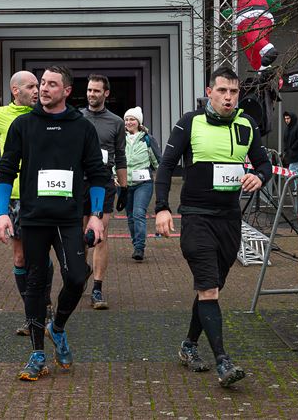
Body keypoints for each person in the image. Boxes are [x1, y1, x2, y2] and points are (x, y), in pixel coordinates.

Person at [154, 66, 272, 388]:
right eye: (223, 91)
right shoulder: (189, 122)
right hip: (196, 218)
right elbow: (165, 166)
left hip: (229, 220)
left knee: (211, 288)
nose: (229, 98)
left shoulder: (247, 126)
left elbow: (264, 163)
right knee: (208, 287)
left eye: (234, 92)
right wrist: (162, 207)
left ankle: (189, 345)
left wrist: (259, 176)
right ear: (210, 91)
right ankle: (223, 361)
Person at [0, 65, 109, 381]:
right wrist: (3, 212)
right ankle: (36, 354)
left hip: (69, 219)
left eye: (51, 84)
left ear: (66, 91)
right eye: (42, 83)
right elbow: (6, 170)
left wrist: (97, 216)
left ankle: (56, 327)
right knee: (35, 282)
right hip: (33, 218)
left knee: (76, 277)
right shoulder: (23, 125)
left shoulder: (82, 127)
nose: (44, 89)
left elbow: (98, 175)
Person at [0, 70, 55, 336]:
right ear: (15, 91)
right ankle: (32, 314)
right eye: (31, 86)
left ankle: (46, 306)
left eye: (38, 85)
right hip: (15, 195)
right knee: (20, 256)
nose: (37, 90)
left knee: (42, 255)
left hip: (44, 193)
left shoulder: (45, 114)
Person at [80, 74, 127, 310]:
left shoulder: (116, 122)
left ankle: (97, 289)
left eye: (97, 91)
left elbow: (120, 156)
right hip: (79, 183)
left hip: (105, 183)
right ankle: (80, 276)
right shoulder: (77, 117)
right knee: (80, 237)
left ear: (106, 93)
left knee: (99, 236)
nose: (92, 94)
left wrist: (125, 187)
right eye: (89, 90)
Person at [117, 106, 161, 262]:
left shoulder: (147, 139)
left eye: (132, 119)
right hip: (124, 184)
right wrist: (114, 174)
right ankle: (136, 244)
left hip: (144, 183)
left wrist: (163, 180)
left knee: (138, 213)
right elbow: (115, 159)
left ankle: (140, 248)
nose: (129, 122)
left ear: (138, 122)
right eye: (127, 119)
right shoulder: (119, 138)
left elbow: (157, 162)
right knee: (130, 217)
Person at [282, 111, 298, 178]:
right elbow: (285, 140)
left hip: (296, 154)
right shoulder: (287, 129)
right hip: (290, 155)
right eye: (285, 119)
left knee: (292, 171)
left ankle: (297, 186)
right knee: (295, 172)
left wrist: (293, 148)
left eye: (288, 118)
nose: (286, 120)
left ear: (292, 118)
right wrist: (286, 150)